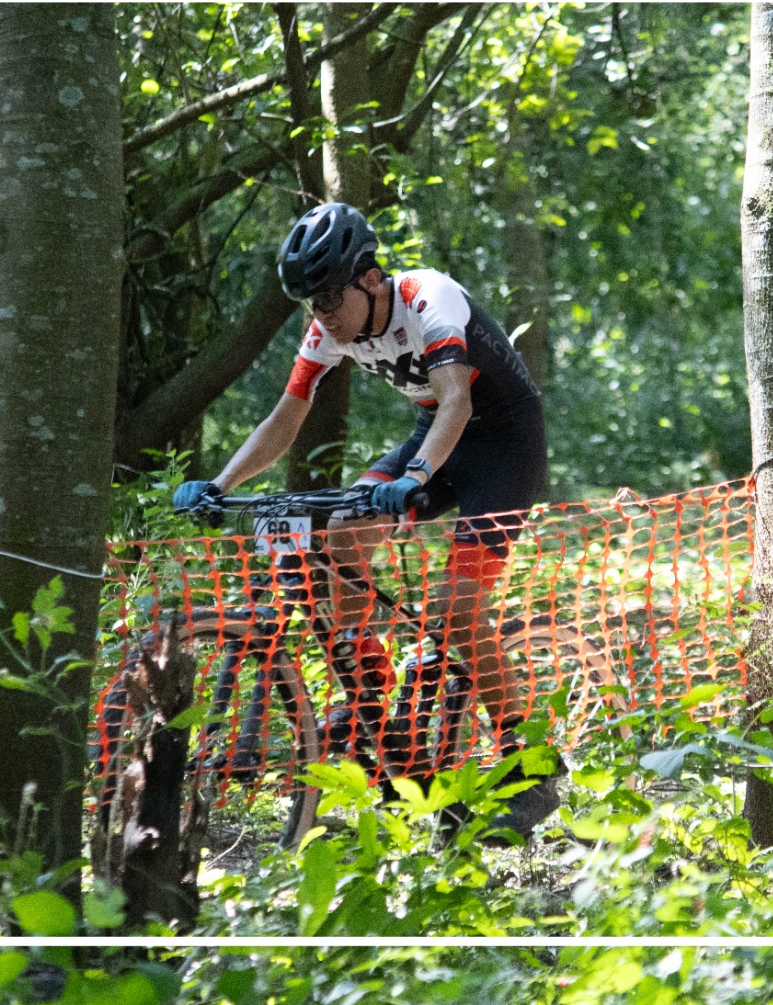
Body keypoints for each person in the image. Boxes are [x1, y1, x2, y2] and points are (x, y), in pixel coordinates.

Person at [172, 202, 560, 845]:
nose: (321, 314)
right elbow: (286, 416)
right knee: (345, 530)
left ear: (371, 279)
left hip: (505, 447)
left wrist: (416, 477)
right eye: (310, 302)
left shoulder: (426, 297)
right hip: (435, 437)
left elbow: (456, 399)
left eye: (329, 297)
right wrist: (221, 484)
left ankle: (531, 762)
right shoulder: (328, 329)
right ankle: (370, 697)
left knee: (456, 610)